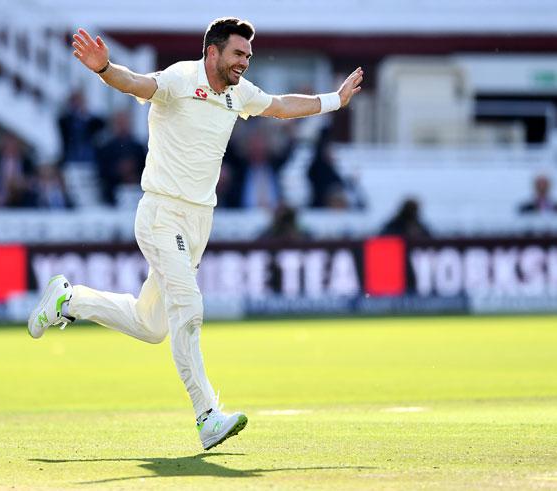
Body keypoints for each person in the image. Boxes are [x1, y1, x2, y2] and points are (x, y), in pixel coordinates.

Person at [28, 17, 363, 451]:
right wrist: (104, 70)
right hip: (162, 213)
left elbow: (279, 105)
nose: (245, 62)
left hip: (198, 221)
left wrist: (333, 101)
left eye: (248, 55)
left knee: (150, 325)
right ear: (213, 52)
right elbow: (136, 84)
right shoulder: (180, 77)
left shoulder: (237, 93)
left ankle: (67, 300)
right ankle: (207, 415)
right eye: (238, 54)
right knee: (190, 305)